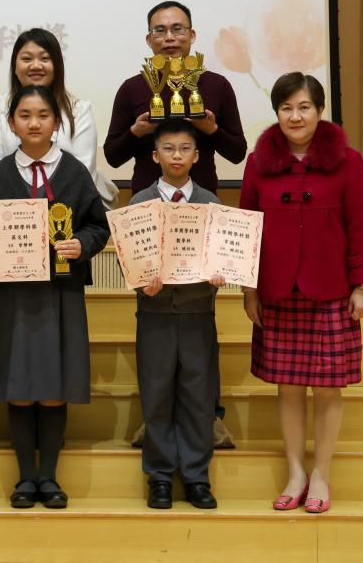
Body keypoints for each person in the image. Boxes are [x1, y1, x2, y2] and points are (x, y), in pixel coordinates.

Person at [104, 0, 246, 449]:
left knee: (201, 321)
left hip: (201, 211)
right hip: (148, 214)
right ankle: (156, 420)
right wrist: (138, 131)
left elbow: (238, 150)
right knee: (153, 320)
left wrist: (210, 127)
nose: (169, 37)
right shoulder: (133, 88)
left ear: (192, 36)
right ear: (149, 39)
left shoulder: (216, 85)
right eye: (160, 30)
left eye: (177, 29)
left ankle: (210, 418)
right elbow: (112, 155)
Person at [239, 72, 363, 514]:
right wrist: (249, 289)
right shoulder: (257, 162)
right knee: (287, 388)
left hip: (331, 288)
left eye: (304, 107)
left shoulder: (348, 161)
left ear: (320, 111)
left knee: (329, 389)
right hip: (277, 289)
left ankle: (321, 473)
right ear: (277, 113)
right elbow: (247, 231)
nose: (295, 116)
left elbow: (360, 224)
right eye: (286, 108)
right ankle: (296, 472)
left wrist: (362, 285)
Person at [0, 85, 110, 509]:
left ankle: (48, 477)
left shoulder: (74, 172)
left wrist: (82, 245)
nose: (34, 123)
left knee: (54, 384)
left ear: (57, 123)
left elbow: (98, 226)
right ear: (11, 123)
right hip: (14, 296)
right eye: (25, 115)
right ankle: (24, 478)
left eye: (43, 115)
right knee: (17, 383)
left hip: (60, 292)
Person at [128, 119, 222, 510]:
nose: (177, 156)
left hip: (199, 312)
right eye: (169, 149)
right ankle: (161, 477)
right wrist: (142, 282)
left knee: (199, 395)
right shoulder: (140, 202)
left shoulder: (211, 203)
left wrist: (221, 273)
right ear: (155, 156)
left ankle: (197, 478)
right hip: (154, 314)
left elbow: (223, 255)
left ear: (197, 156)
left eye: (185, 148)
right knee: (157, 394)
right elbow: (130, 258)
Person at [0, 27, 117, 209]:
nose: (36, 65)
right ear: (15, 67)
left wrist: (53, 216)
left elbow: (83, 176)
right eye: (27, 59)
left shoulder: (78, 110)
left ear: (57, 66)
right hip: (11, 217)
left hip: (68, 216)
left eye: (44, 58)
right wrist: (27, 215)